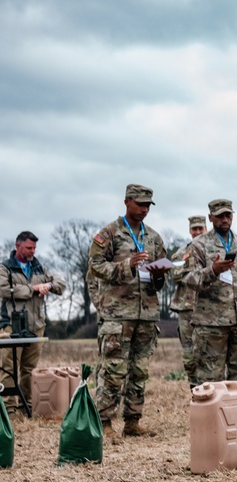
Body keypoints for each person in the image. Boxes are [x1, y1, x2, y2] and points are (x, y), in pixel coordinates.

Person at [179, 200, 237, 430]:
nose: (225, 220)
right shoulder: (198, 245)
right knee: (210, 374)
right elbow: (188, 279)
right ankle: (210, 419)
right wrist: (212, 271)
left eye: (228, 215)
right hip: (212, 322)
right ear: (210, 217)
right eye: (220, 216)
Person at [87, 184, 170, 442]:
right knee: (113, 369)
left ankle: (133, 421)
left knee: (140, 370)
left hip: (146, 314)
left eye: (148, 205)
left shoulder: (154, 237)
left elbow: (162, 278)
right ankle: (104, 422)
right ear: (127, 202)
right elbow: (95, 266)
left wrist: (159, 275)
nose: (144, 209)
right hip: (117, 314)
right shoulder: (109, 234)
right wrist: (126, 265)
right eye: (140, 204)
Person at [0, 231, 66, 415]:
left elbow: (60, 283)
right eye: (29, 248)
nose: (32, 251)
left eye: (34, 248)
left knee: (29, 369)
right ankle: (9, 409)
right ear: (18, 246)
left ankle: (26, 406)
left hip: (36, 326)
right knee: (8, 368)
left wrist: (49, 286)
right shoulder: (5, 268)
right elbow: (3, 289)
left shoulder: (39, 267)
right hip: (11, 326)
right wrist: (33, 288)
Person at [169, 215, 207, 388]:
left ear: (206, 229)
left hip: (209, 308)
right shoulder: (181, 253)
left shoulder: (213, 251)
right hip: (187, 309)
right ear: (190, 231)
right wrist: (190, 264)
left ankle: (211, 387)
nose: (198, 232)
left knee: (210, 351)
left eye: (200, 228)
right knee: (189, 352)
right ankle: (194, 386)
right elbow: (175, 275)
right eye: (194, 229)